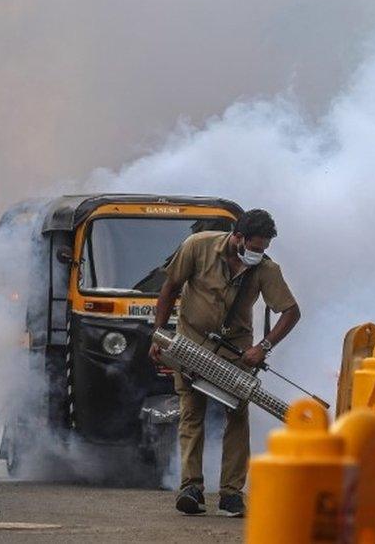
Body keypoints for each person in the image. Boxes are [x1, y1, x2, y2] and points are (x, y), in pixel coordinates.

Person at [149, 209, 301, 517]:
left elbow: (291, 312)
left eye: (264, 249)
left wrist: (263, 347)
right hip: (190, 344)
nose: (259, 254)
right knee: (191, 414)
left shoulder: (267, 270)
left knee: (236, 417)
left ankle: (231, 494)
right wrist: (158, 334)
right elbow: (170, 288)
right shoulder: (197, 246)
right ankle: (191, 488)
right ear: (238, 237)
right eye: (255, 247)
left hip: (236, 353)